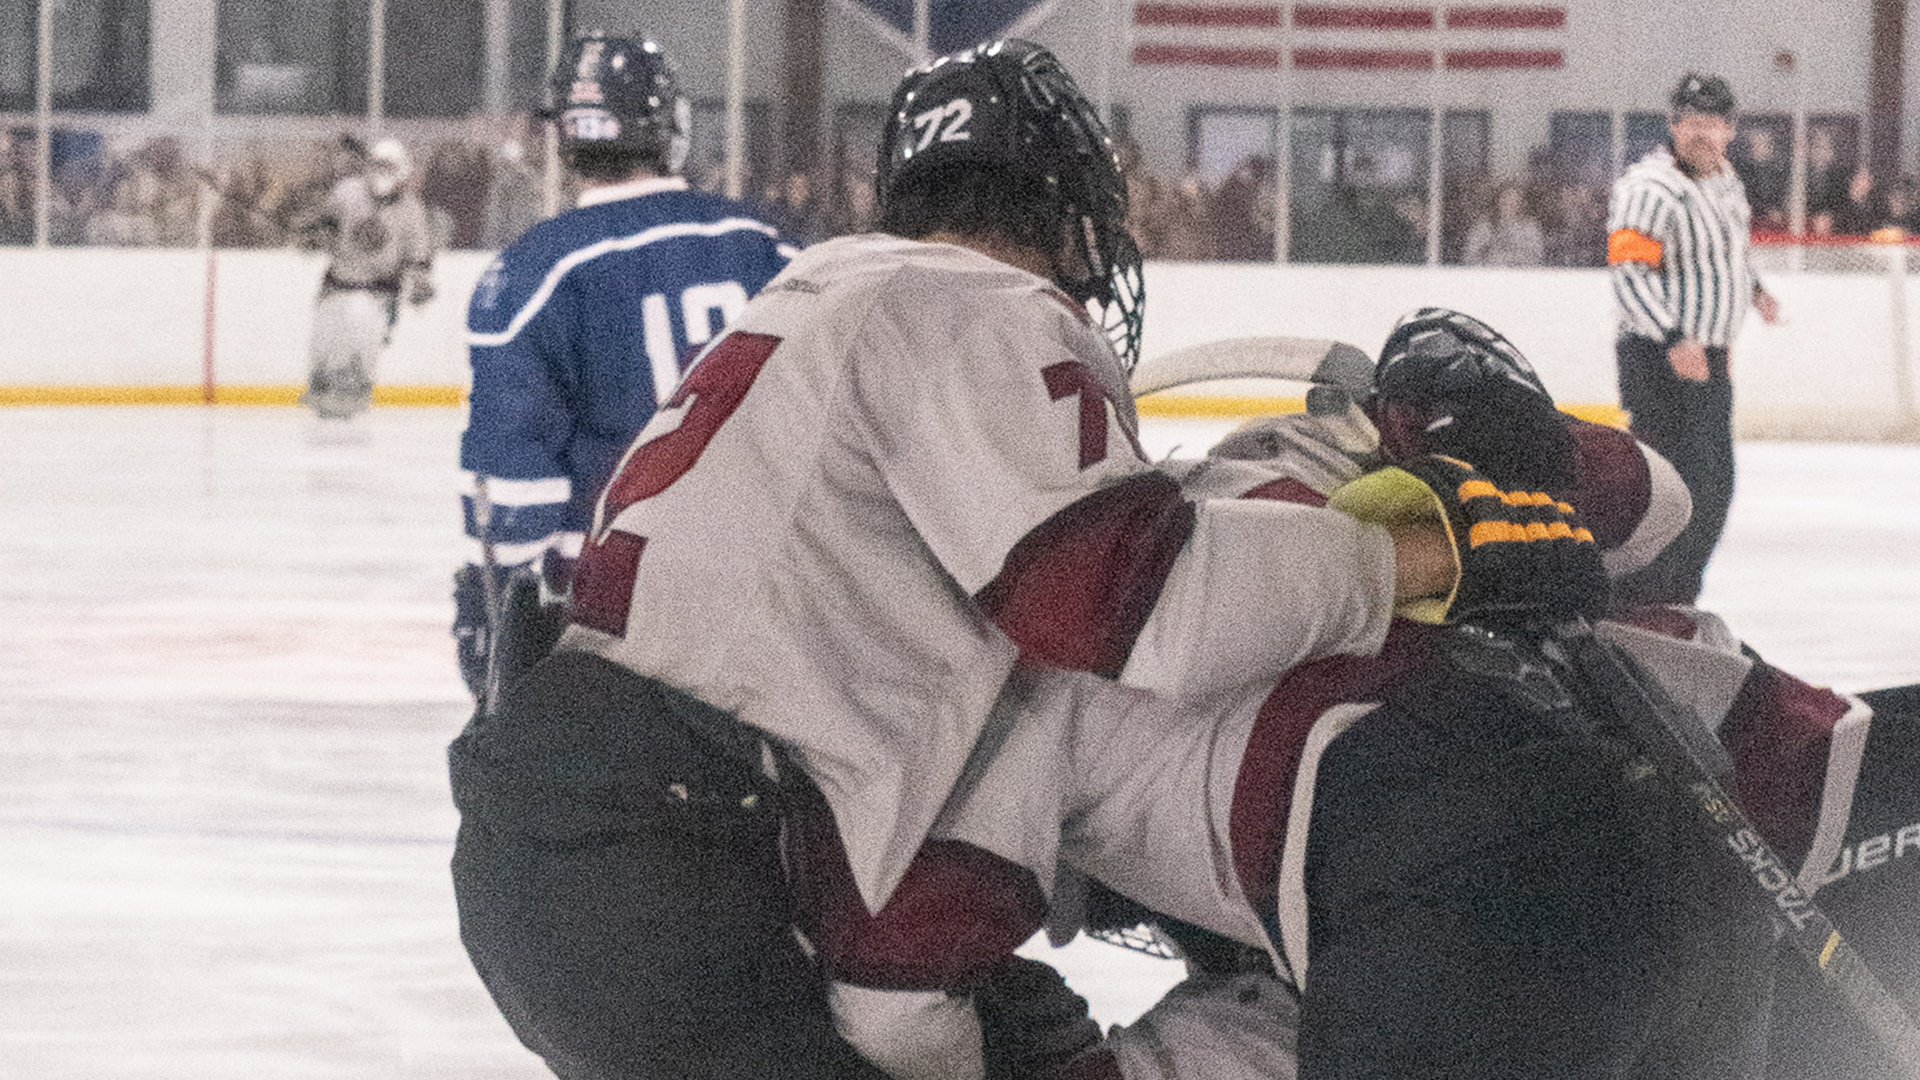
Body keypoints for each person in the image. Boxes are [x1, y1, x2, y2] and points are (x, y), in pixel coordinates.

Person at [446, 40, 1604, 1080]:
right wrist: (1432, 544)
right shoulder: (973, 299)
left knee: (1021, 1030)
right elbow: (1131, 604)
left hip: (592, 834)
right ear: (1061, 203)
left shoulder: (827, 293)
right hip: (678, 858)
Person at [452, 31, 798, 706]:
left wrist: (497, 600)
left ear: (566, 137)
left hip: (610, 604)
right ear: (668, 126)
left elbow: (512, 480)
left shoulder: (532, 273)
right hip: (767, 586)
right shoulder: (768, 247)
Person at [1607, 72, 1780, 606]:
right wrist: (1674, 338)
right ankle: (1647, 595)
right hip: (1664, 359)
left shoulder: (1725, 180)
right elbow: (1629, 273)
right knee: (1675, 488)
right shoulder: (1651, 188)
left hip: (1707, 356)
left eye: (1711, 123)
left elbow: (1726, 255)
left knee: (1712, 486)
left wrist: (1754, 292)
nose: (1699, 133)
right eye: (1689, 122)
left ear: (1730, 130)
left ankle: (1676, 592)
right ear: (1673, 126)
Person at [295, 137, 436, 420]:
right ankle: (322, 392)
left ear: (402, 171)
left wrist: (420, 281)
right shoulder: (347, 193)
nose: (382, 172)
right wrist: (313, 235)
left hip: (380, 294)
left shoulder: (411, 209)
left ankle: (353, 397)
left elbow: (417, 256)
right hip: (336, 285)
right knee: (323, 345)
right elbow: (322, 226)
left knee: (360, 343)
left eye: (389, 166)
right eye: (378, 165)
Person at [1461, 180, 1545, 267]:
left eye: (1515, 199)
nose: (1510, 203)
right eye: (1506, 198)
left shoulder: (1530, 228)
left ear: (1522, 203)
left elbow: (1536, 258)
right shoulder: (1483, 227)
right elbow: (1470, 256)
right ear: (1498, 200)